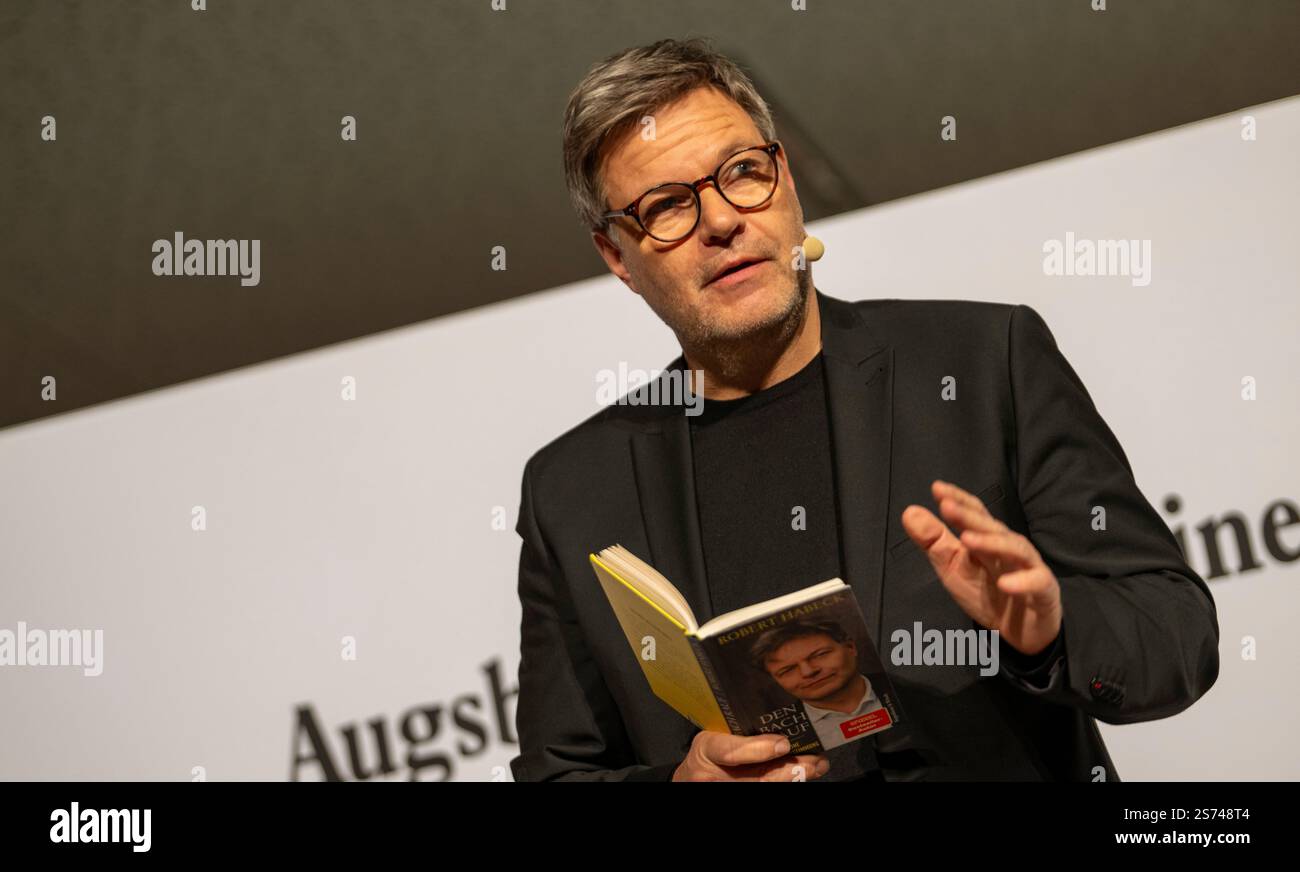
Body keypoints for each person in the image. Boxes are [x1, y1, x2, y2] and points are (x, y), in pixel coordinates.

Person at [510, 37, 1219, 782]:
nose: (721, 220)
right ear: (618, 257)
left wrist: (1051, 631)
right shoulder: (573, 491)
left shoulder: (981, 361)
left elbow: (1176, 636)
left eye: (742, 173)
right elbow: (558, 773)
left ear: (786, 180)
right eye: (667, 207)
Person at [749, 621, 886, 752]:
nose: (808, 672)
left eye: (820, 655)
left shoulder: (904, 685)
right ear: (775, 679)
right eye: (788, 670)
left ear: (851, 647)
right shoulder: (777, 740)